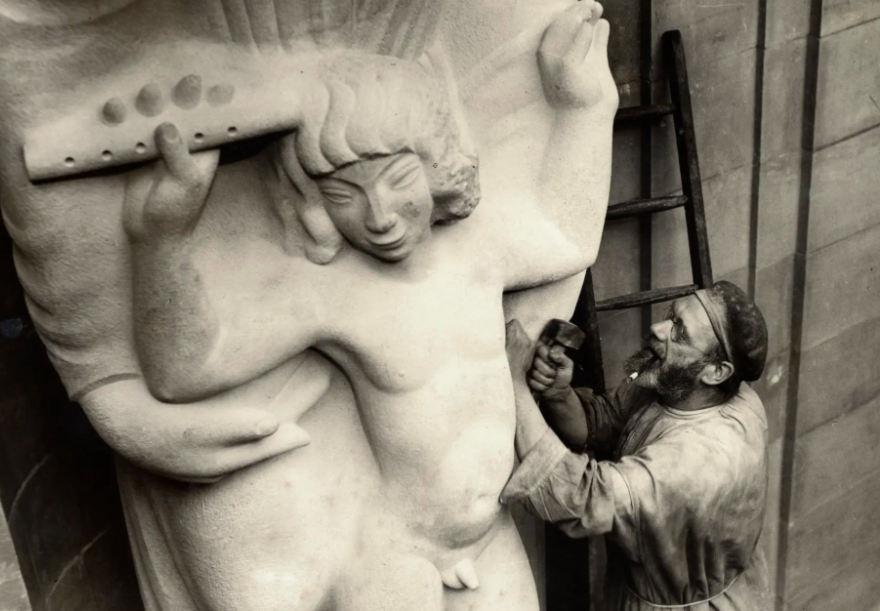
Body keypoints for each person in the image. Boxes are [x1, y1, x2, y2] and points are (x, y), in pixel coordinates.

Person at [118, 3, 617, 610]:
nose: (378, 216)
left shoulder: (480, 248)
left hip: (486, 537)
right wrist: (161, 239)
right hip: (397, 560)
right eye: (343, 194)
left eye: (398, 181)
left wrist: (587, 107)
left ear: (434, 167)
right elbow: (183, 372)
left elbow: (568, 237)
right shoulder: (333, 292)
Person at [504, 281, 773, 610]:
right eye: (671, 316)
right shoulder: (684, 386)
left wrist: (514, 383)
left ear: (716, 372)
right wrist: (558, 394)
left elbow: (582, 498)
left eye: (679, 333)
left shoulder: (699, 459)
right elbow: (601, 421)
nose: (658, 329)